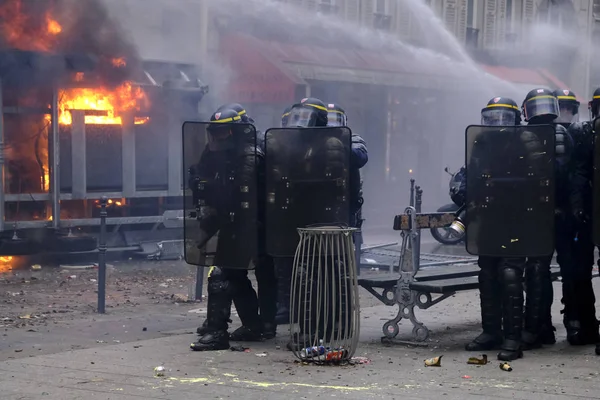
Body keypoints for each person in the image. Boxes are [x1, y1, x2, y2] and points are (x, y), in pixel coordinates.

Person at [188, 108, 264, 351]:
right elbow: (204, 178)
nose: (219, 138)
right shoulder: (215, 153)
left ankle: (217, 332)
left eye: (224, 133)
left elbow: (244, 194)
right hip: (229, 222)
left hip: (248, 224)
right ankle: (253, 326)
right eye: (216, 133)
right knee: (236, 276)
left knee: (220, 275)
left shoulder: (250, 155)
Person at [460, 97, 528, 361]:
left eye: (503, 117)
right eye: (491, 118)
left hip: (516, 217)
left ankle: (513, 337)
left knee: (510, 275)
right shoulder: (482, 142)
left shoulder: (525, 141)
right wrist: (462, 188)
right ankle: (491, 332)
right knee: (487, 274)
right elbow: (472, 172)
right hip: (489, 217)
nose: (497, 123)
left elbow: (538, 178)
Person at [520, 88, 573, 350]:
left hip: (539, 214)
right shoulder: (563, 133)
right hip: (558, 213)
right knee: (545, 271)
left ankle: (534, 329)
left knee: (537, 271)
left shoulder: (528, 134)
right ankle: (547, 328)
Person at [566, 88, 600, 350]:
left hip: (588, 213)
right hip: (589, 213)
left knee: (580, 273)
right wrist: (579, 208)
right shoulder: (588, 134)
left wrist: (578, 208)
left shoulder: (586, 132)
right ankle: (586, 327)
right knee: (579, 273)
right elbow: (579, 173)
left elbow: (578, 174)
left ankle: (587, 327)